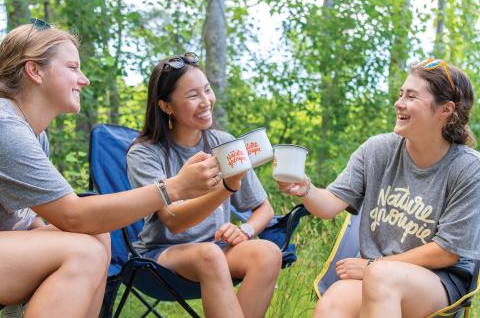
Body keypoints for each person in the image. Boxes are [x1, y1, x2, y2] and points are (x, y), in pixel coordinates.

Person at [0, 20, 222, 318]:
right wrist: (175, 188)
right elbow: (73, 215)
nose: (84, 79)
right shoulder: (6, 127)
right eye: (72, 67)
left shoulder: (34, 133)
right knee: (84, 251)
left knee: (97, 236)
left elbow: (28, 220)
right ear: (34, 70)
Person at [277, 59, 480, 317]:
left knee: (382, 278)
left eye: (411, 96)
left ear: (445, 110)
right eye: (400, 94)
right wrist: (305, 188)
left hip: (437, 280)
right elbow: (329, 205)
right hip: (376, 272)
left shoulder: (467, 168)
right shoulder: (378, 150)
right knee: (332, 303)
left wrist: (373, 265)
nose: (399, 103)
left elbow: (447, 252)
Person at [126, 53, 282, 318]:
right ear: (166, 106)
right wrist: (227, 187)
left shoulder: (224, 143)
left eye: (207, 90)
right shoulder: (145, 154)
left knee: (267, 252)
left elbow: (264, 209)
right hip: (163, 254)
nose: (205, 101)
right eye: (192, 96)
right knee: (209, 255)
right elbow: (173, 221)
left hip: (218, 248)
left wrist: (244, 230)